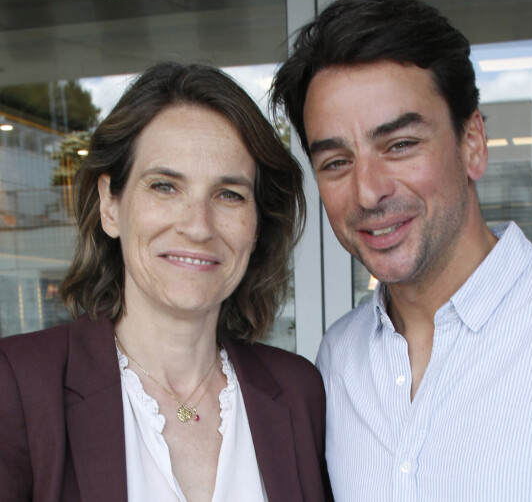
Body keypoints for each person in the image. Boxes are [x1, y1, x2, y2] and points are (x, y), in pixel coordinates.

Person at [271, 0, 532, 501]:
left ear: (472, 142)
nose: (369, 191)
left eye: (400, 145)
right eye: (336, 162)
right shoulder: (338, 360)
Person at [0, 62, 333, 502]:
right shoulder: (19, 386)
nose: (198, 226)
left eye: (229, 194)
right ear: (110, 206)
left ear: (257, 225)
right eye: (165, 186)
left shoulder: (297, 391)